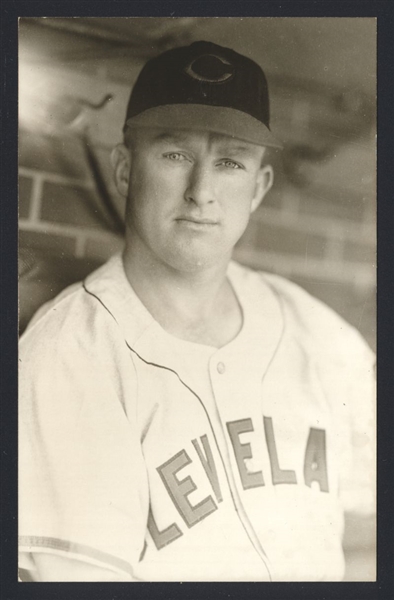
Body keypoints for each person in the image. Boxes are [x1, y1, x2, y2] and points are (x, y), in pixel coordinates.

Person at [18, 40, 375, 582]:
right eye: (175, 154)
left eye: (229, 162)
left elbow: (367, 530)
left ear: (258, 189)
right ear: (123, 169)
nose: (201, 191)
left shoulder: (316, 330)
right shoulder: (72, 354)